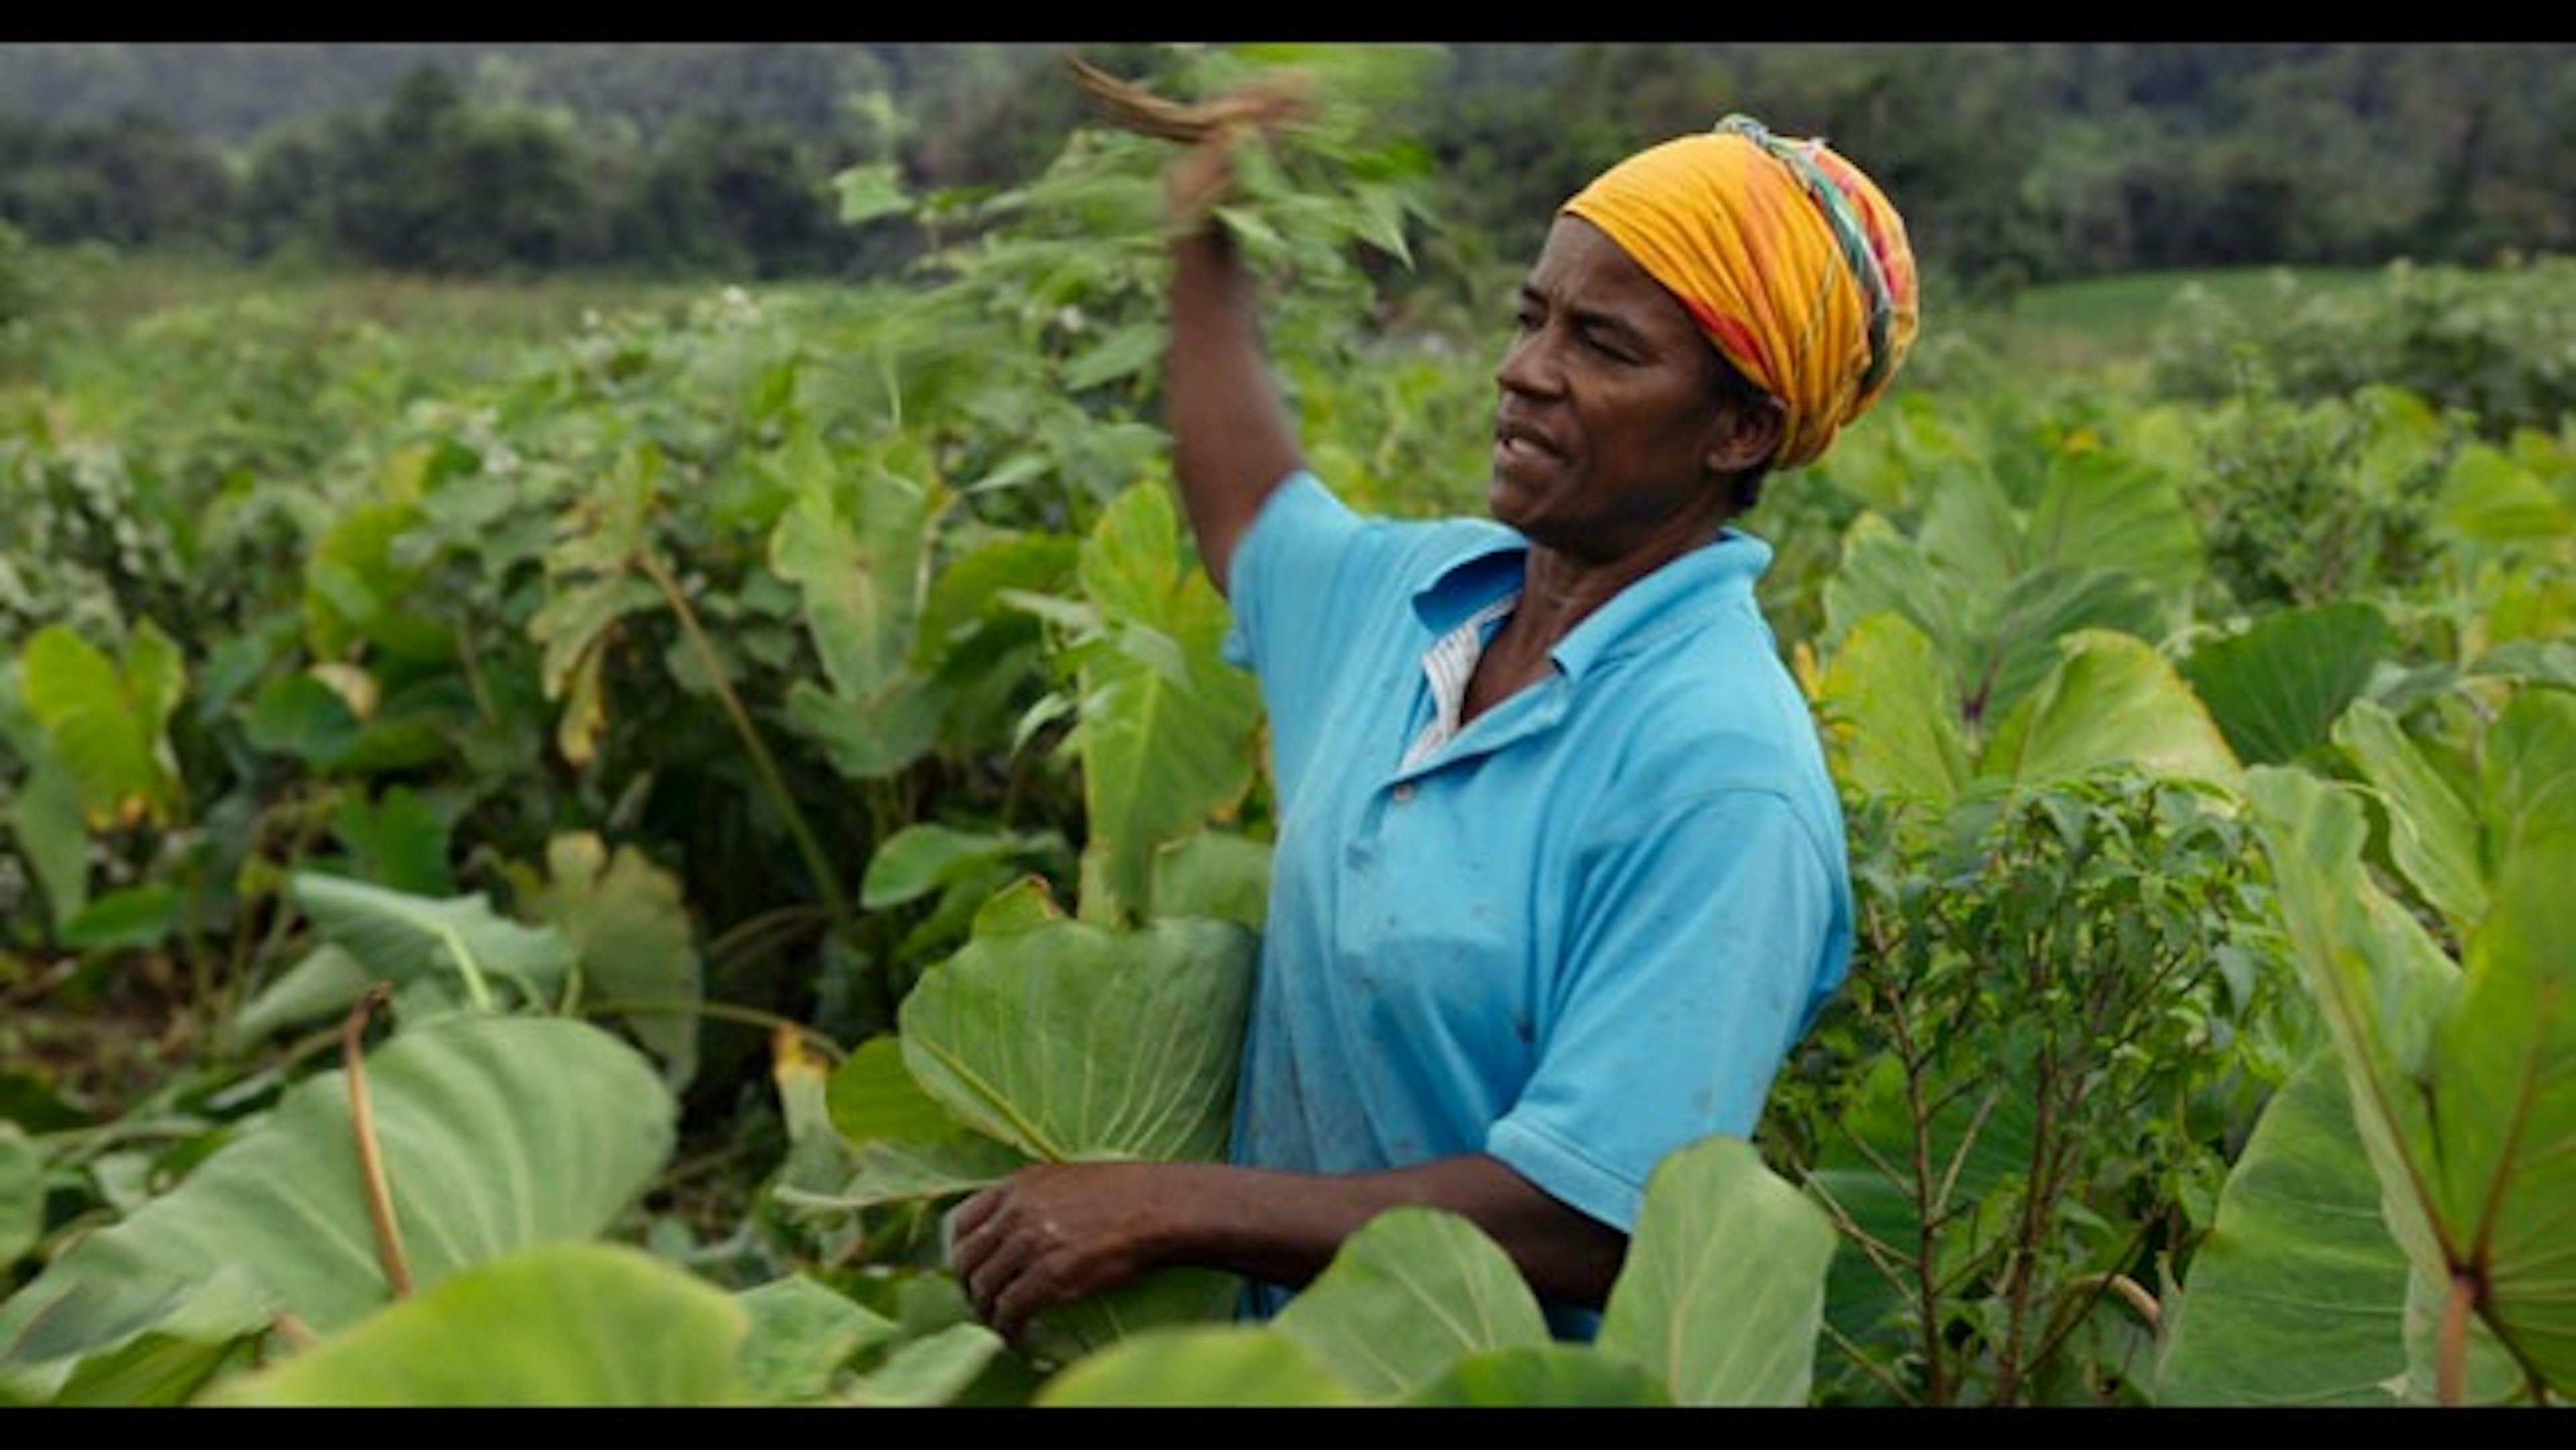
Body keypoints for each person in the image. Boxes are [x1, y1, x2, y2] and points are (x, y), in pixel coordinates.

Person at [952, 96, 1920, 1344]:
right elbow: (1250, 505)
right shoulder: (1416, 605)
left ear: (1740, 429)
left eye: (1605, 347)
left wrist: (1168, 1205)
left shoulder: (1719, 771)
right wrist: (1204, 234)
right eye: (1532, 318)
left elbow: (1594, 1220)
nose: (1526, 370)